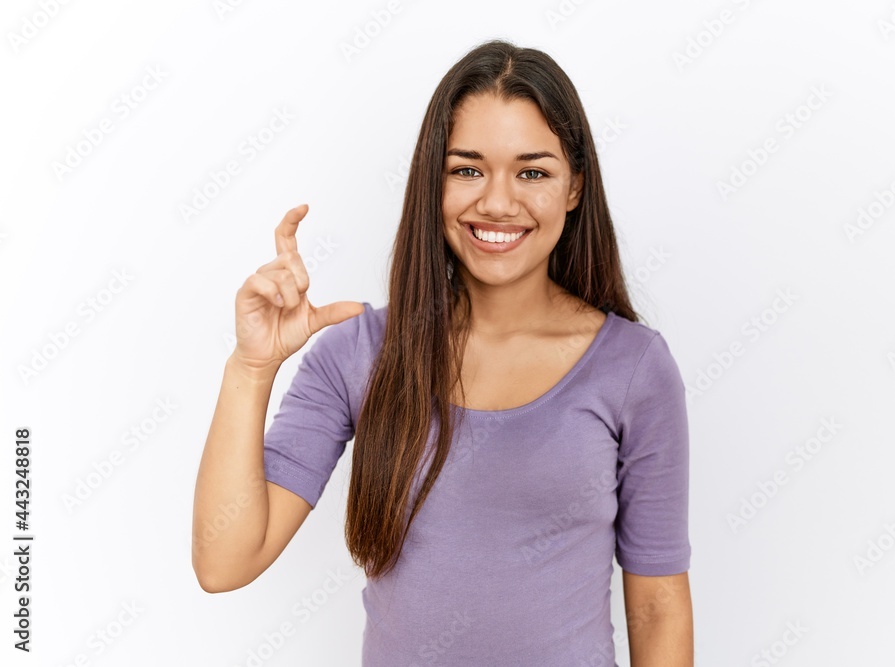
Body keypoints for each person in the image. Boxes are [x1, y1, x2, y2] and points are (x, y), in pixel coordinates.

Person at [192, 38, 693, 666]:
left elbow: (657, 603)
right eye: (467, 169)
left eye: (532, 171)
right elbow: (224, 561)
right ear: (434, 182)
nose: (498, 202)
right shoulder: (358, 354)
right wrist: (251, 369)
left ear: (573, 189)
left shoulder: (633, 367)